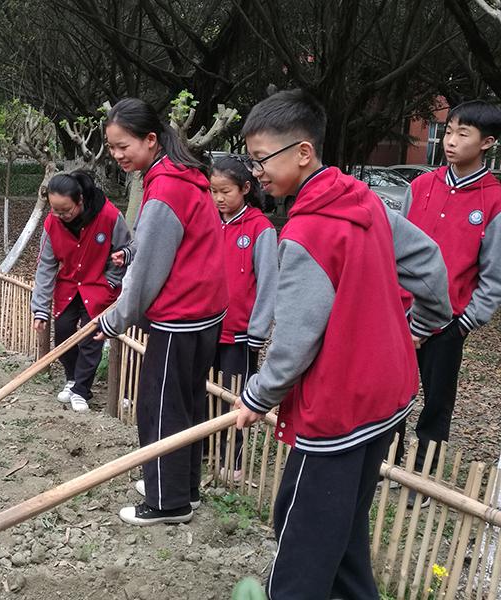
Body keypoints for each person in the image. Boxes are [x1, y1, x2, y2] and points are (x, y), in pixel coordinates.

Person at [233, 89, 452, 599]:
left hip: (339, 409)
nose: (255, 171)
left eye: (261, 158)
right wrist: (423, 323)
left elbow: (292, 345)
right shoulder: (364, 200)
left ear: (303, 152)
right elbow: (430, 265)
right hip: (388, 396)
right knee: (343, 524)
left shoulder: (308, 231)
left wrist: (259, 395)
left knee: (303, 534)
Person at [96, 98, 228, 526]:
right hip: (206, 312)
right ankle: (181, 487)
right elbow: (170, 244)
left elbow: (148, 274)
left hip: (181, 315)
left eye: (123, 146)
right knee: (186, 403)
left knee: (158, 407)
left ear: (151, 140)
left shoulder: (166, 186)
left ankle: (167, 503)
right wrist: (133, 251)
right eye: (111, 148)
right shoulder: (185, 175)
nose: (117, 156)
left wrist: (114, 320)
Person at [400, 100, 501, 501]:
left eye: (464, 133)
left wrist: (464, 322)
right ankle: (387, 464)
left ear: (487, 142)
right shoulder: (420, 187)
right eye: (450, 130)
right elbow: (395, 251)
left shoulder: (493, 201)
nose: (451, 141)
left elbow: (492, 276)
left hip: (447, 325)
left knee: (436, 403)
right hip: (401, 315)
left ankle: (423, 480)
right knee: (392, 392)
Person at [31, 171, 131, 412]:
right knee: (64, 330)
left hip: (98, 286)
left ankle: (81, 390)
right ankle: (73, 379)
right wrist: (40, 309)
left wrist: (110, 280)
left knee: (91, 337)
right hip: (69, 285)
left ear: (81, 200)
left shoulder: (109, 216)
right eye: (54, 209)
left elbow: (126, 250)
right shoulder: (52, 222)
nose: (58, 216)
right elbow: (46, 265)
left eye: (65, 210)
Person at [207, 156, 277, 480]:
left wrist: (258, 330)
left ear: (246, 188)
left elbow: (268, 284)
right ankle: (205, 449)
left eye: (226, 191)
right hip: (208, 327)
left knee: (235, 398)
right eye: (214, 191)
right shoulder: (208, 221)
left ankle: (231, 460)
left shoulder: (260, 229)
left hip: (240, 333)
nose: (219, 199)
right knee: (206, 390)